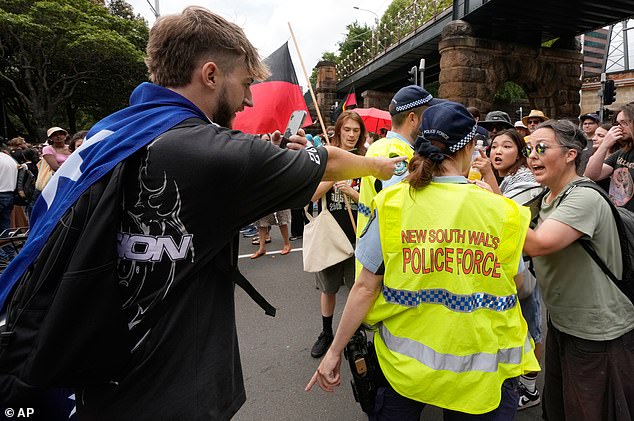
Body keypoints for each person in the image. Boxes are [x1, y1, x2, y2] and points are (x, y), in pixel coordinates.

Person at [0, 7, 404, 419]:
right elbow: (328, 161)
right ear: (210, 75)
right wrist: (382, 166)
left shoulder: (114, 130)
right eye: (245, 83)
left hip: (85, 373)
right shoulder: (203, 149)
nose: (248, 99)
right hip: (164, 391)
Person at [307, 101, 539, 420]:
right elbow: (521, 286)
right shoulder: (500, 210)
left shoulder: (393, 204)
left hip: (404, 370)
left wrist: (334, 353)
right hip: (482, 375)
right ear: (469, 147)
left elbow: (364, 288)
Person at [523, 119, 634, 421]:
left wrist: (480, 206)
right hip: (564, 322)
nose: (531, 155)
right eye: (528, 148)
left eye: (541, 148)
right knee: (560, 409)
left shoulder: (582, 197)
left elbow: (538, 243)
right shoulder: (546, 197)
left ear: (571, 155)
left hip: (597, 333)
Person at [471, 129, 545, 410]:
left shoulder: (526, 180)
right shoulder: (505, 177)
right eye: (494, 146)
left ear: (520, 152)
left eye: (506, 146)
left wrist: (488, 178)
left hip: (525, 265)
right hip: (503, 266)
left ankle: (530, 387)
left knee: (531, 326)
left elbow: (505, 216)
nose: (497, 151)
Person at [356, 85, 443, 252]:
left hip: (377, 258)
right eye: (427, 116)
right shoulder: (394, 153)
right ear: (412, 118)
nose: (431, 122)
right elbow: (399, 209)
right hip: (388, 262)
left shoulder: (381, 147)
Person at [309, 111, 366, 358]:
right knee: (329, 289)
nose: (351, 135)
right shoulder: (327, 158)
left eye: (356, 131)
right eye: (347, 130)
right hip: (331, 235)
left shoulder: (366, 160)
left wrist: (353, 194)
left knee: (357, 290)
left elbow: (376, 201)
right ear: (338, 131)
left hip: (359, 237)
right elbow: (310, 195)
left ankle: (354, 333)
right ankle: (326, 332)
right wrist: (334, 178)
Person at [585, 103, 634, 211]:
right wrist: (604, 145)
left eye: (624, 123)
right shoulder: (622, 152)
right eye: (618, 123)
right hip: (618, 215)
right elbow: (591, 175)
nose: (619, 127)